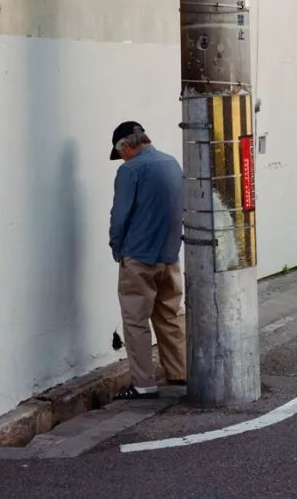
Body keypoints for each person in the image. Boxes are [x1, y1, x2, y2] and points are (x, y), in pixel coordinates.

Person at [108, 121, 187, 399]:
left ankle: (143, 383)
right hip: (169, 254)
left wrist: (117, 249)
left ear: (127, 146)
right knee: (170, 314)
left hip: (139, 257)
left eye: (121, 153)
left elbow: (120, 216)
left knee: (136, 321)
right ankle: (179, 371)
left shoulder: (130, 170)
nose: (122, 158)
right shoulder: (172, 163)